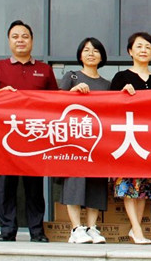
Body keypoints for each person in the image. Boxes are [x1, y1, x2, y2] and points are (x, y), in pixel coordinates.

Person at [0, 20, 58, 243]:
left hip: (35, 136)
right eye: (15, 36)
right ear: (9, 41)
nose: (20, 40)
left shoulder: (44, 69)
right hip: (6, 137)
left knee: (34, 188)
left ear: (32, 40)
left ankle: (37, 231)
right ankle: (7, 230)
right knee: (6, 186)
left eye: (25, 36)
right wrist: (1, 93)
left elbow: (55, 100)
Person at [110, 32, 151, 245]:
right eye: (139, 46)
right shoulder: (121, 77)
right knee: (128, 184)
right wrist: (121, 94)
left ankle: (136, 229)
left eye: (148, 47)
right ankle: (137, 230)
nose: (144, 50)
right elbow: (109, 108)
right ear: (130, 51)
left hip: (149, 139)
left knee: (144, 187)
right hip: (127, 138)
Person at [59, 37, 110, 244]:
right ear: (80, 55)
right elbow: (55, 104)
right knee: (75, 181)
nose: (91, 54)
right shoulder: (71, 77)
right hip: (75, 139)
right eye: (87, 50)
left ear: (102, 56)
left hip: (98, 141)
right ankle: (75, 228)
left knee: (96, 183)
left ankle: (91, 228)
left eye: (95, 50)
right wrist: (72, 93)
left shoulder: (107, 84)